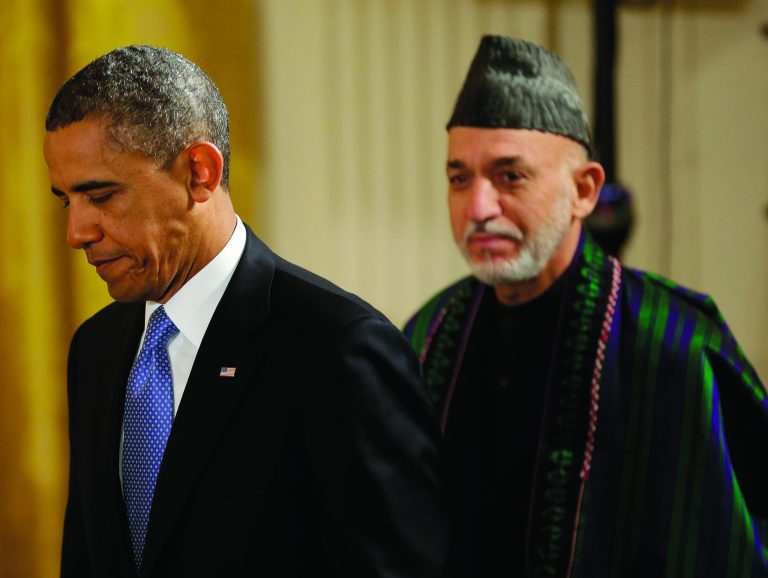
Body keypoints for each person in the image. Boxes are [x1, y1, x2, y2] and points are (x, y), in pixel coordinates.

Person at [45, 45, 447, 578]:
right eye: (65, 200)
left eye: (100, 196)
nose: (76, 233)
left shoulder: (340, 349)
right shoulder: (95, 348)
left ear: (200, 172)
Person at [404, 35, 768, 577]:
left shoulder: (673, 347)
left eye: (510, 176)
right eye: (460, 178)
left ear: (585, 190)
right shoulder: (427, 336)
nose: (478, 207)